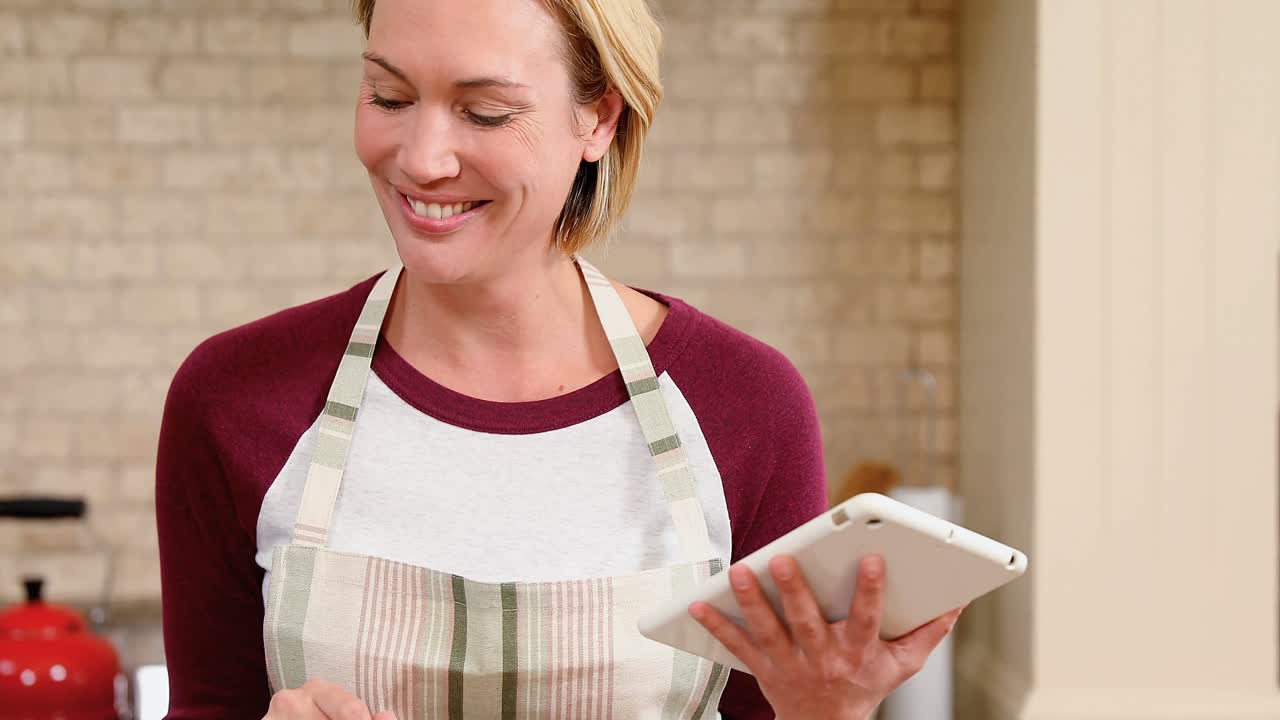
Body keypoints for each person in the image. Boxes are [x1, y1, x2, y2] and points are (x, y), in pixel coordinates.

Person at [154, 0, 962, 718]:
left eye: (487, 112)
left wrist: (829, 714)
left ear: (598, 120)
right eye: (389, 97)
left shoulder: (745, 407)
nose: (423, 158)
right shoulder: (234, 398)